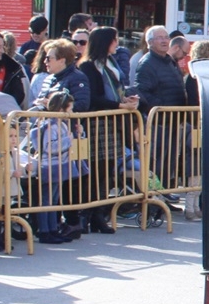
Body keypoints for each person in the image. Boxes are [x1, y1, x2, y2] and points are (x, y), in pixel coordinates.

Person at [77, 26, 138, 234]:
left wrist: (125, 100)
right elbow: (93, 97)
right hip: (97, 123)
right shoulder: (88, 66)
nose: (117, 44)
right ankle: (87, 213)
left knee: (109, 169)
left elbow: (116, 89)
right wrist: (119, 106)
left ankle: (98, 214)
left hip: (112, 121)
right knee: (96, 170)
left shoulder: (111, 64)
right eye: (114, 40)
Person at [29, 89, 85, 245]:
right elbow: (49, 147)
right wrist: (70, 139)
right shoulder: (51, 125)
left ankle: (53, 229)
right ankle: (44, 231)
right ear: (61, 109)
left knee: (54, 199)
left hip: (60, 165)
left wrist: (79, 134)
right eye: (70, 108)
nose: (72, 112)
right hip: (50, 165)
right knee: (46, 199)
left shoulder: (62, 124)